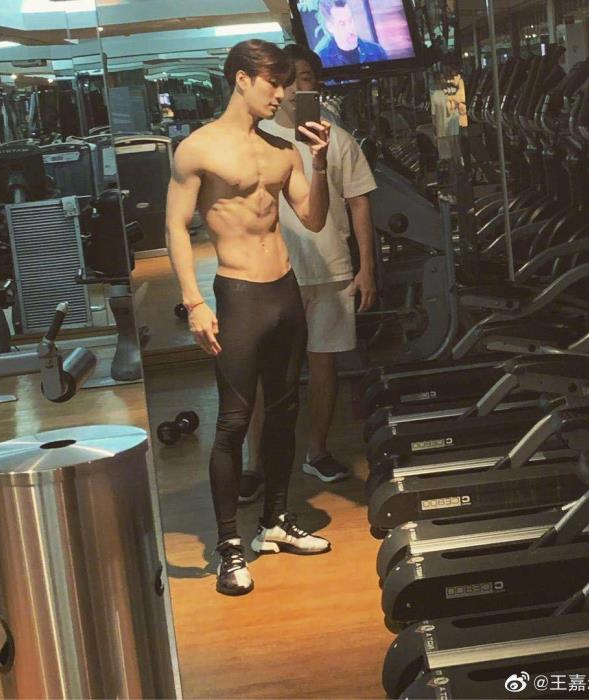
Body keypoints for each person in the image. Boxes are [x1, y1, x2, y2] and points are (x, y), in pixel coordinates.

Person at [166, 39, 333, 597]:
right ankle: (228, 547)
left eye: (285, 84)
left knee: (285, 413)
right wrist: (194, 302)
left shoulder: (282, 149)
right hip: (238, 294)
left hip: (285, 290)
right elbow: (175, 226)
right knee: (234, 423)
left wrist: (319, 160)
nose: (281, 94)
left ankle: (275, 521)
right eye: (273, 83)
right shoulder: (198, 149)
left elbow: (313, 218)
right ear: (241, 79)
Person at [239, 44, 377, 504]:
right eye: (287, 79)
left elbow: (359, 203)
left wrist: (366, 268)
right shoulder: (256, 140)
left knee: (324, 364)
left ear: (317, 84)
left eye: (305, 79)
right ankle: (255, 464)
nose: (296, 88)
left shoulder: (339, 140)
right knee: (266, 372)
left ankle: (317, 452)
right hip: (274, 273)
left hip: (331, 268)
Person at [316, 0, 388, 68]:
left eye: (350, 20)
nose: (350, 28)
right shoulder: (322, 60)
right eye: (342, 24)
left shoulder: (377, 51)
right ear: (330, 27)